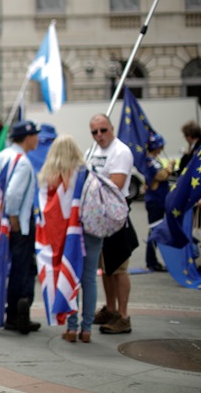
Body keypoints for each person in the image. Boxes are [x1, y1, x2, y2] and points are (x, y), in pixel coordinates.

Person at [35, 135, 97, 343]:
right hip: (87, 232)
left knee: (68, 277)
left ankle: (71, 328)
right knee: (88, 279)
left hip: (62, 237)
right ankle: (86, 329)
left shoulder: (47, 178)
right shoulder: (84, 172)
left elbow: (45, 213)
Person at [0, 120, 41, 334]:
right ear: (27, 138)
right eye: (35, 135)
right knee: (23, 267)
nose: (37, 139)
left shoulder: (1, 156)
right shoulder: (23, 162)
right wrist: (14, 219)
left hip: (2, 221)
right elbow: (13, 194)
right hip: (19, 221)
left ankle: (14, 310)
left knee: (16, 266)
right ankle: (18, 313)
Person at [86, 114, 136, 335]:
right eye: (94, 132)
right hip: (99, 217)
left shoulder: (121, 151)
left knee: (119, 268)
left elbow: (116, 184)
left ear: (111, 128)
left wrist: (94, 181)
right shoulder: (93, 150)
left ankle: (123, 316)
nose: (99, 136)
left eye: (103, 130)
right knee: (105, 268)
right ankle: (111, 309)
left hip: (116, 215)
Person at [143, 133, 169, 272]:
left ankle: (153, 260)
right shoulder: (149, 161)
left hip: (160, 199)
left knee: (157, 230)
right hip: (155, 201)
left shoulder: (155, 160)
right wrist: (169, 168)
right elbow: (159, 176)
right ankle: (151, 261)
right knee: (155, 231)